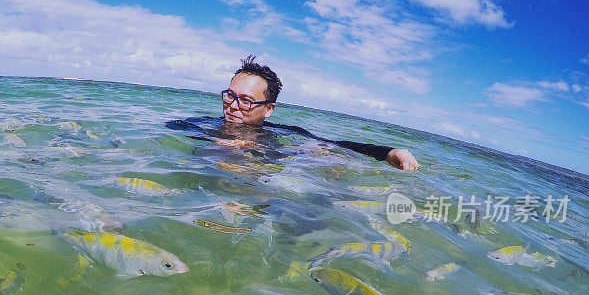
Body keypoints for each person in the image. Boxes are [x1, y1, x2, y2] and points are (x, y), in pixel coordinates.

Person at [167, 55, 419, 170]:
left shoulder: (282, 134)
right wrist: (215, 141)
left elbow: (338, 144)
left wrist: (388, 152)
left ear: (268, 110)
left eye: (245, 101)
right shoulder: (201, 125)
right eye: (230, 95)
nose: (232, 105)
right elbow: (172, 126)